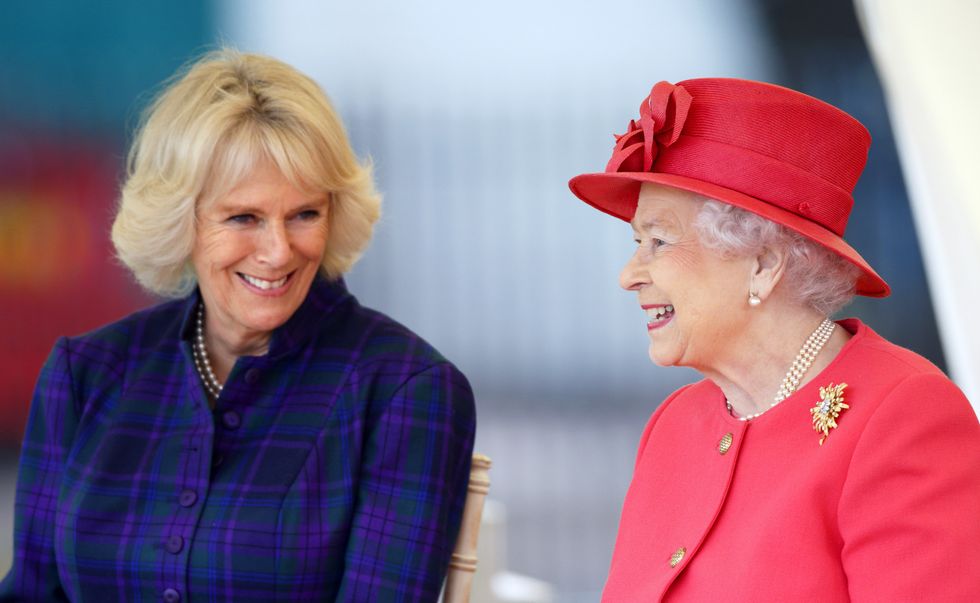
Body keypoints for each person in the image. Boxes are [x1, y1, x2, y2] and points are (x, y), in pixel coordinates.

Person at [0, 49, 476, 602]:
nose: (278, 251)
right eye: (243, 217)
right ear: (181, 221)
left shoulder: (405, 392)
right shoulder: (85, 375)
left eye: (305, 214)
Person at [568, 78, 980, 601]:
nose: (629, 274)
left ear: (762, 264)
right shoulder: (673, 425)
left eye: (659, 241)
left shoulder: (903, 414)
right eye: (637, 242)